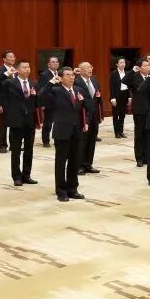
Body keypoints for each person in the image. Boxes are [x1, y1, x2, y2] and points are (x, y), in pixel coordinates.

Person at [39, 67, 85, 202]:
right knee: (61, 162)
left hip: (77, 131)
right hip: (62, 131)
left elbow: (87, 106)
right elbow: (40, 97)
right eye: (67, 75)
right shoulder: (55, 91)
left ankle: (73, 189)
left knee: (74, 161)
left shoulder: (78, 90)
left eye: (72, 75)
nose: (71, 77)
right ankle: (61, 191)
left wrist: (86, 121)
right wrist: (50, 83)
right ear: (60, 77)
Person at [0, 60, 39, 187]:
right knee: (16, 150)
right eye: (24, 67)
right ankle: (16, 176)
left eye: (28, 67)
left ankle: (27, 175)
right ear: (17, 69)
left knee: (29, 150)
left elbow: (37, 101)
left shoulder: (34, 83)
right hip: (16, 120)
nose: (27, 69)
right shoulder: (10, 82)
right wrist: (6, 74)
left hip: (30, 121)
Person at [73, 62, 102, 175]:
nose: (90, 69)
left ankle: (88, 164)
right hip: (83, 115)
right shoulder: (76, 81)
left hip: (94, 116)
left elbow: (98, 99)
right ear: (80, 70)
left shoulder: (94, 81)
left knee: (91, 141)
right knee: (82, 141)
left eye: (90, 67)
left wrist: (100, 114)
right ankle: (78, 166)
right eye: (86, 68)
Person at [125, 59, 150, 167]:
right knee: (139, 134)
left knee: (148, 134)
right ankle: (139, 158)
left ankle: (147, 156)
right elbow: (124, 80)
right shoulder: (135, 76)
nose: (148, 67)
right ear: (139, 67)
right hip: (140, 110)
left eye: (149, 65)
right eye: (145, 65)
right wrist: (133, 71)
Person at [0, 50, 16, 154]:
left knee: (15, 123)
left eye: (13, 56)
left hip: (15, 101)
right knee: (4, 124)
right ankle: (2, 145)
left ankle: (14, 145)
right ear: (4, 59)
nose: (13, 58)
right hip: (4, 101)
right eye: (10, 57)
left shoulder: (16, 70)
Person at [38, 56, 60, 147]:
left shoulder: (60, 73)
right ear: (48, 64)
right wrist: (42, 104)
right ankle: (46, 140)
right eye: (53, 62)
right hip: (49, 102)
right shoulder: (44, 75)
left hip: (60, 102)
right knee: (48, 123)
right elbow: (42, 90)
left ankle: (58, 139)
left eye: (57, 62)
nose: (55, 63)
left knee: (59, 122)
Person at [110, 57, 130, 139]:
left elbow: (129, 85)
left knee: (122, 115)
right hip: (116, 96)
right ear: (117, 64)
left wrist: (129, 97)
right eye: (121, 62)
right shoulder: (114, 73)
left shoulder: (127, 73)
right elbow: (111, 86)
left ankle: (121, 131)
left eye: (124, 62)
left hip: (124, 95)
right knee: (116, 115)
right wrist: (113, 98)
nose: (123, 64)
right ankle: (116, 132)